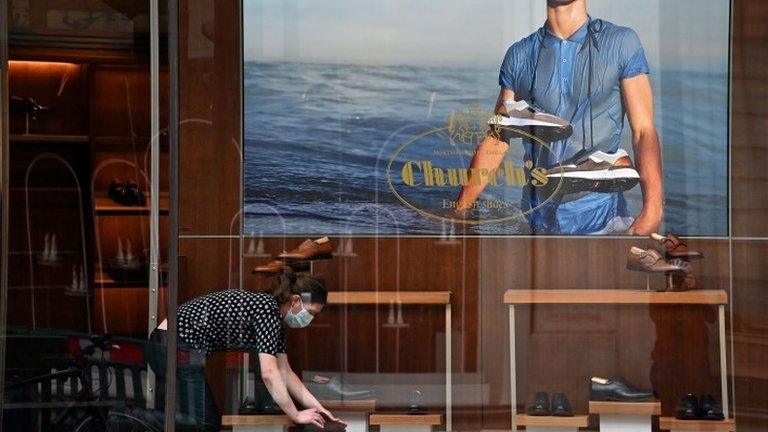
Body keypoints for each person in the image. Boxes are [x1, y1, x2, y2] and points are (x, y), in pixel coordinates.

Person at [455, 0, 663, 235]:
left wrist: (653, 207)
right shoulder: (520, 54)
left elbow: (643, 131)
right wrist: (461, 208)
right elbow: (498, 139)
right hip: (535, 216)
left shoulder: (621, 42)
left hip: (602, 219)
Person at [147, 268, 345, 431]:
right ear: (295, 300)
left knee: (198, 421)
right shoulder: (268, 311)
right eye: (310, 313)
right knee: (205, 423)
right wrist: (295, 414)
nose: (310, 320)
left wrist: (319, 409)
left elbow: (285, 372)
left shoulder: (275, 318)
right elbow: (269, 373)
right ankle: (130, 417)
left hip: (172, 346)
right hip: (174, 346)